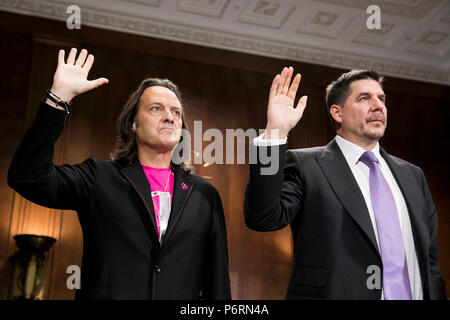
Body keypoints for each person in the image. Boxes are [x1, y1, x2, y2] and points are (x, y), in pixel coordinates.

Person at [8, 48, 231, 300]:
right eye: (156, 109)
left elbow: (217, 284)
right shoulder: (98, 177)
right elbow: (28, 176)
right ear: (133, 124)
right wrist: (58, 98)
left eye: (176, 112)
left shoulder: (205, 195)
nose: (169, 117)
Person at [244, 67, 447, 299]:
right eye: (364, 98)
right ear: (337, 113)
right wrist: (274, 134)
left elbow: (429, 260)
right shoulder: (306, 165)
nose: (378, 105)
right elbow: (262, 217)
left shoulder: (413, 175)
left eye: (381, 99)